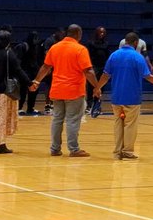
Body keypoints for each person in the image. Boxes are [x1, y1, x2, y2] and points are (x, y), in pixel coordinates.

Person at [95, 32, 153, 160]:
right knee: (130, 124)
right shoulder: (137, 57)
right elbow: (148, 76)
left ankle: (117, 151)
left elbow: (105, 75)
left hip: (116, 97)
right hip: (132, 98)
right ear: (136, 43)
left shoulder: (114, 55)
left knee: (118, 124)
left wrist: (97, 88)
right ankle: (127, 152)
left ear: (125, 41)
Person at [29, 24, 99, 158]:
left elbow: (45, 67)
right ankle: (74, 149)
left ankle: (55, 149)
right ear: (78, 34)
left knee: (57, 119)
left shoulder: (55, 48)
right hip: (74, 91)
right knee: (73, 120)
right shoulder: (80, 49)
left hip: (57, 90)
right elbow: (88, 71)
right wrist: (96, 87)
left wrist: (37, 81)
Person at [14, 31, 45, 115]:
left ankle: (30, 108)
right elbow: (18, 61)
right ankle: (19, 108)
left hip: (33, 73)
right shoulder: (23, 46)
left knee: (34, 91)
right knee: (22, 91)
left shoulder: (36, 47)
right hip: (24, 73)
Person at [86, 26, 110, 118]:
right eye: (100, 32)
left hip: (102, 67)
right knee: (90, 86)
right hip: (93, 67)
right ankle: (89, 105)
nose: (102, 34)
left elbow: (107, 56)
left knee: (101, 86)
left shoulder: (106, 44)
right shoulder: (91, 43)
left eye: (103, 32)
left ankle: (97, 105)